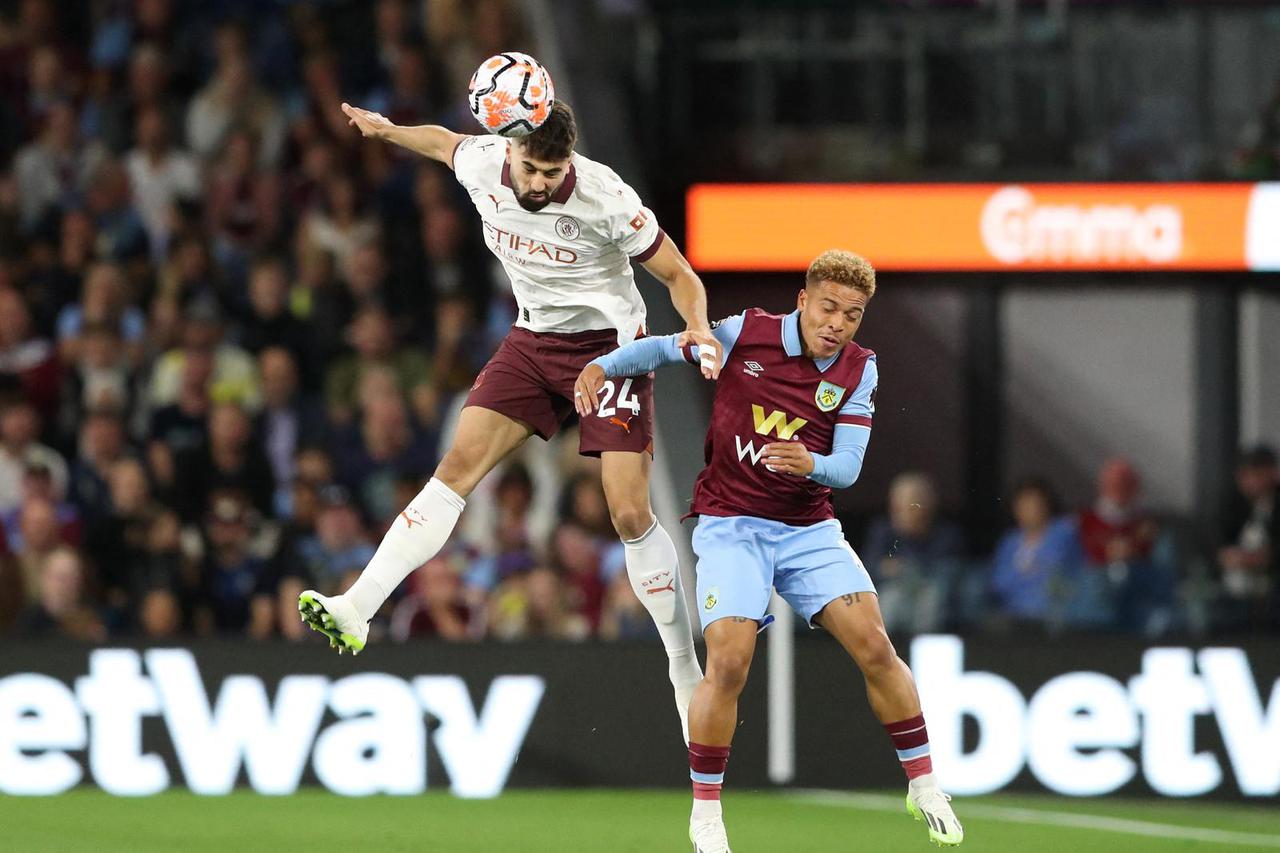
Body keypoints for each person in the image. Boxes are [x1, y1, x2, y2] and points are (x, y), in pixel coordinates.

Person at [298, 93, 719, 746]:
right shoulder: (485, 160)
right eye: (532, 170)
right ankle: (356, 606)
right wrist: (385, 132)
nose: (540, 184)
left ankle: (683, 667)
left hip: (610, 346)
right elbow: (442, 141)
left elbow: (680, 274)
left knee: (629, 513)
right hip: (533, 341)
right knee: (456, 468)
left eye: (553, 174)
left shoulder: (606, 195)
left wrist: (695, 328)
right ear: (513, 150)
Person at [574, 250, 962, 850]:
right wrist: (606, 364)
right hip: (731, 525)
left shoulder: (860, 369)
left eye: (853, 315)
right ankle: (706, 818)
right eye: (829, 307)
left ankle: (925, 784)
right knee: (727, 661)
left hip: (808, 529)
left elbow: (849, 469)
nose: (838, 324)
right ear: (803, 300)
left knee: (877, 647)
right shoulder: (745, 333)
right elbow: (666, 348)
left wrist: (813, 464)